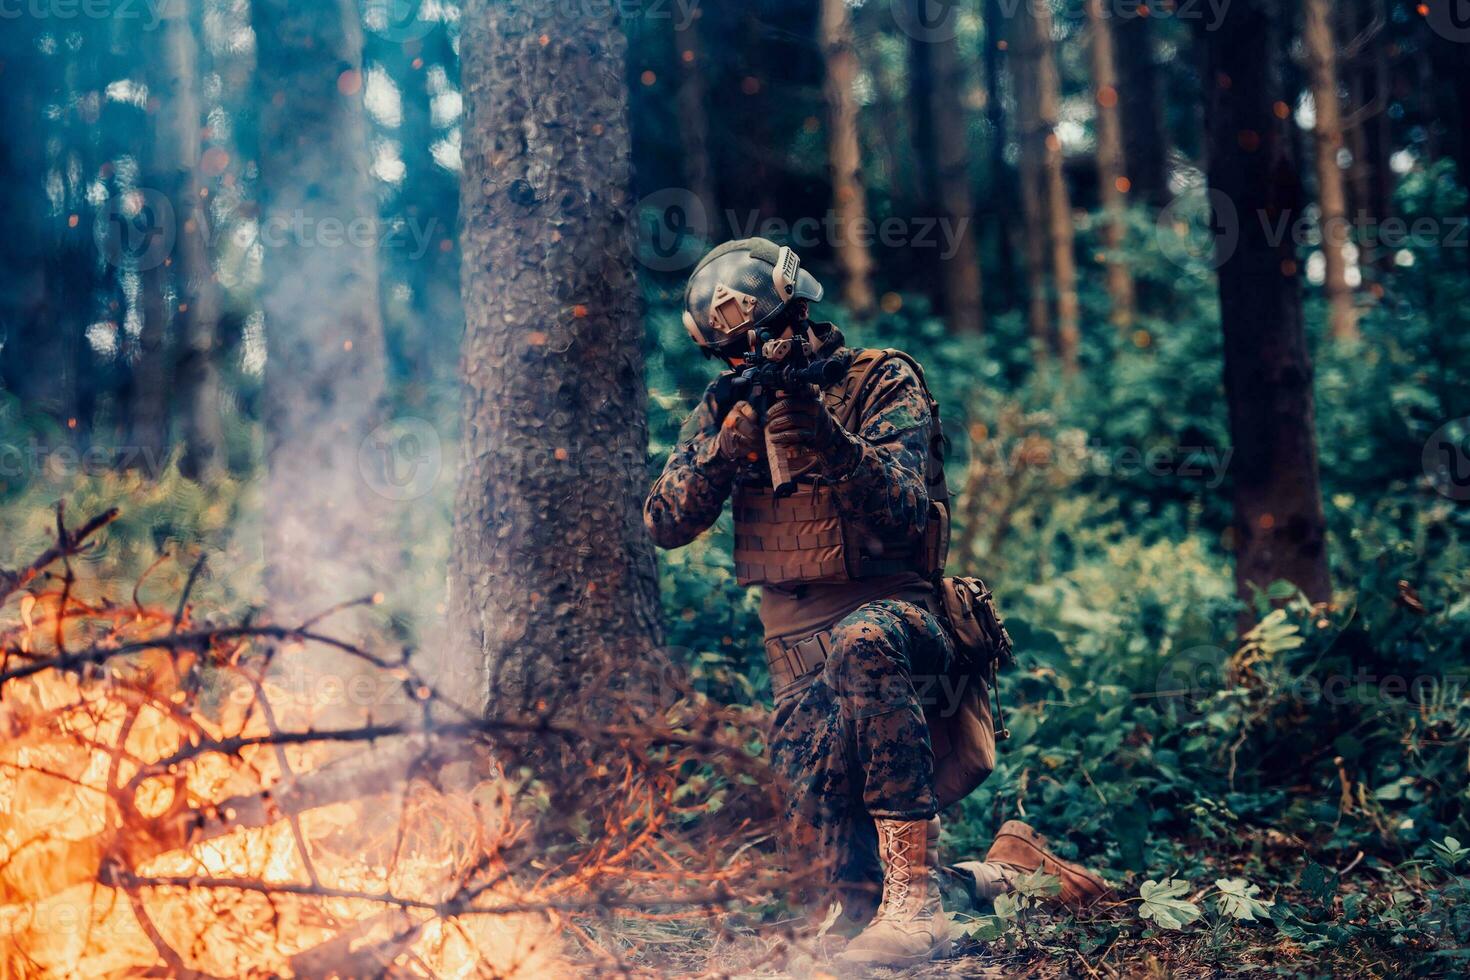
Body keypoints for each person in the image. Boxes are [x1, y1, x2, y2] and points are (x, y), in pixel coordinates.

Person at [644, 238, 1106, 967]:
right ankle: (1006, 874)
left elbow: (901, 510)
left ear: (798, 313)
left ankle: (918, 909)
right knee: (841, 896)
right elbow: (664, 523)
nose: (756, 360)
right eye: (735, 354)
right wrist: (723, 452)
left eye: (765, 338)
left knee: (865, 638)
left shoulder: (880, 379)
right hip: (799, 664)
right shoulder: (725, 404)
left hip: (902, 625)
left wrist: (832, 444)